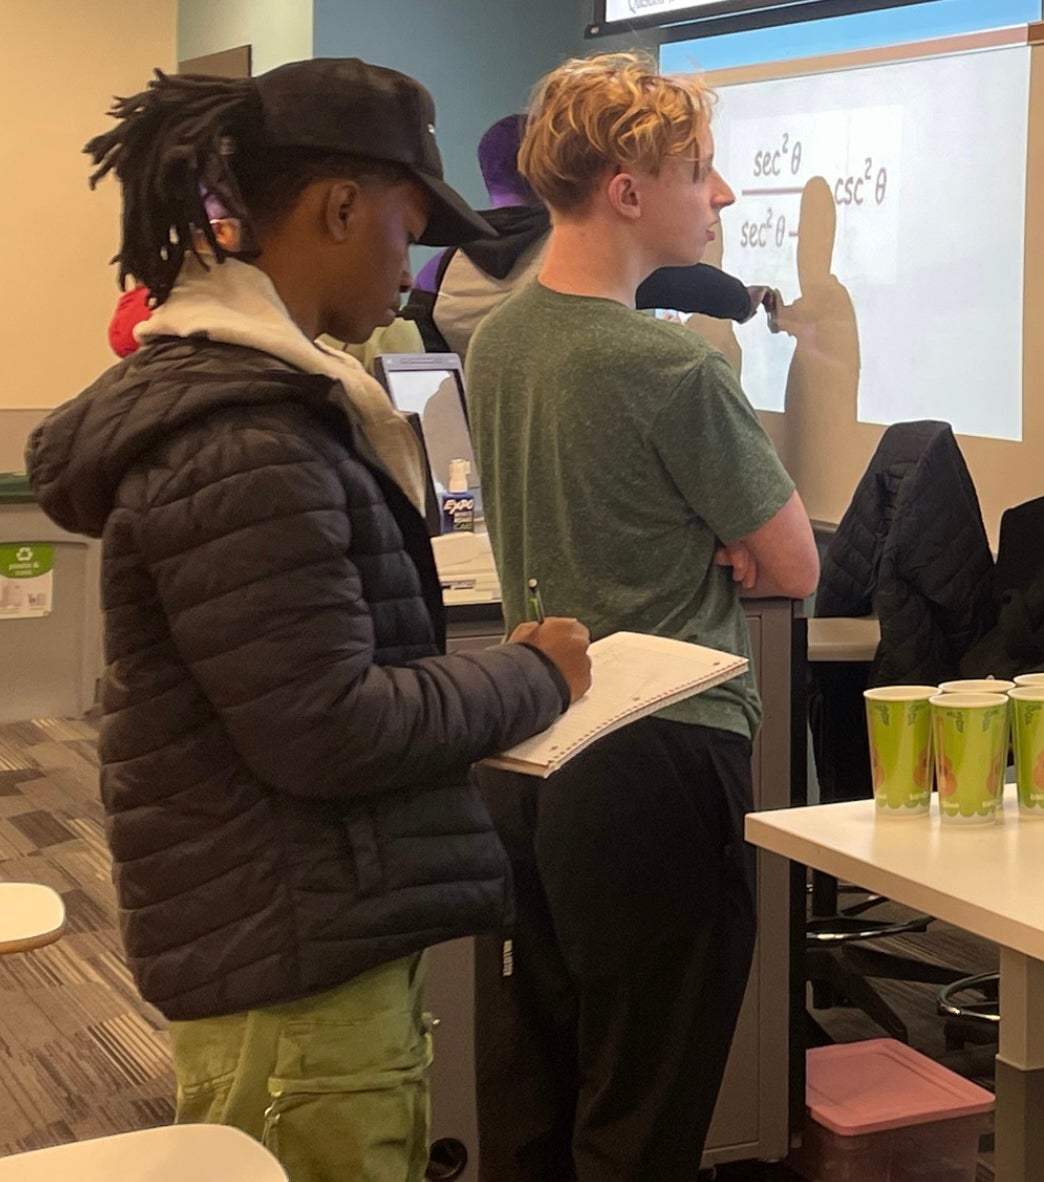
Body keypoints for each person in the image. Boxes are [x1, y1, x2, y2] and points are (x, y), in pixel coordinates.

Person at [27, 60, 592, 1180]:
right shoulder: (247, 442)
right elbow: (326, 723)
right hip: (292, 976)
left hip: (297, 940)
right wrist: (535, 674)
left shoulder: (264, 409)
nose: (410, 260)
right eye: (407, 223)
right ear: (340, 207)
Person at [462, 53, 818, 1182]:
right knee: (646, 1108)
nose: (722, 197)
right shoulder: (669, 366)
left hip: (527, 749)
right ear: (626, 189)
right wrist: (727, 548)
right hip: (662, 755)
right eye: (698, 170)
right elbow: (794, 566)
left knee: (538, 1087)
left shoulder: (499, 341)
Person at [405, 111, 776, 357]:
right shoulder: (585, 255)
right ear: (556, 171)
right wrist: (744, 301)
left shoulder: (436, 271)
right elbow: (697, 287)